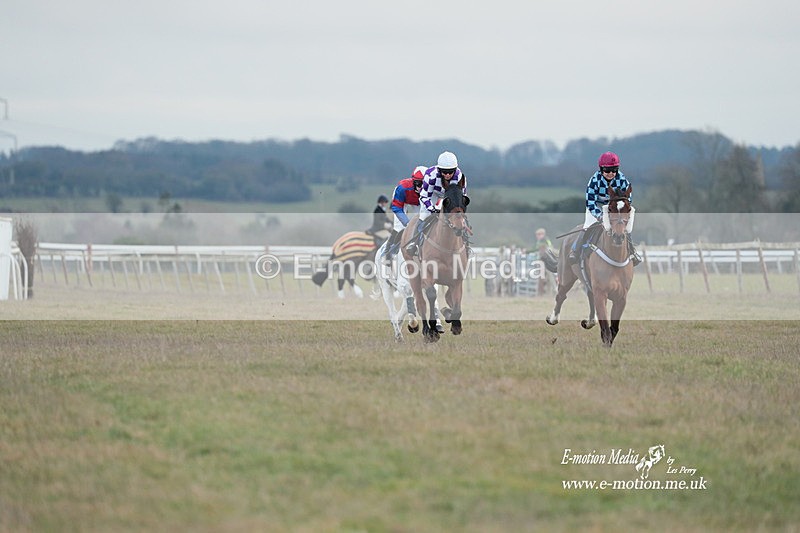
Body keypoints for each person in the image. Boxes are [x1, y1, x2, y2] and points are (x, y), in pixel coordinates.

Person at [568, 151, 641, 265]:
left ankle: (632, 252)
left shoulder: (622, 180)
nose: (611, 173)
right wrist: (600, 215)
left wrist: (620, 213)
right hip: (596, 206)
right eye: (607, 170)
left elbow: (628, 199)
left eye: (614, 170)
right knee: (587, 226)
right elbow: (590, 203)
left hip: (614, 209)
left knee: (624, 228)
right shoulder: (594, 181)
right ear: (601, 169)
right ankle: (575, 250)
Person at [405, 151, 471, 257]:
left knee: (460, 218)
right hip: (432, 194)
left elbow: (462, 197)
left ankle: (466, 244)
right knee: (424, 216)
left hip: (448, 195)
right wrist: (432, 209)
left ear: (455, 170)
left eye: (450, 172)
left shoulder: (459, 176)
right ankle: (415, 243)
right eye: (444, 172)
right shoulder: (431, 175)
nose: (448, 175)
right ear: (439, 170)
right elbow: (424, 196)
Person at [382, 165, 426, 264]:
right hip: (403, 201)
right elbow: (396, 207)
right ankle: (387, 253)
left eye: (425, 184)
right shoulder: (402, 188)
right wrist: (407, 223)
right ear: (413, 182)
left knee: (422, 222)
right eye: (419, 184)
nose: (422, 188)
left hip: (419, 202)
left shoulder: (431, 189)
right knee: (399, 226)